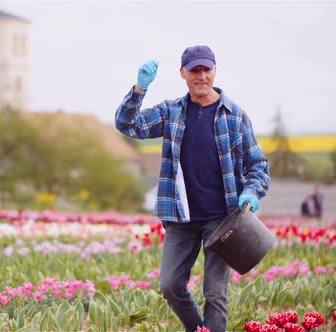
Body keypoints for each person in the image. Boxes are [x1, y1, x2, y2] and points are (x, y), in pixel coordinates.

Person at [114, 45, 270, 332]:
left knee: (215, 294)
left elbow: (258, 165)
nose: (201, 76)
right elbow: (128, 125)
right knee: (170, 285)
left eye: (206, 69)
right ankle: (199, 329)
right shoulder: (171, 112)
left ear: (215, 71)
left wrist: (252, 190)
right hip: (180, 218)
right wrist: (139, 88)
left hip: (223, 222)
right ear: (182, 73)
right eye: (194, 70)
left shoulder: (234, 116)